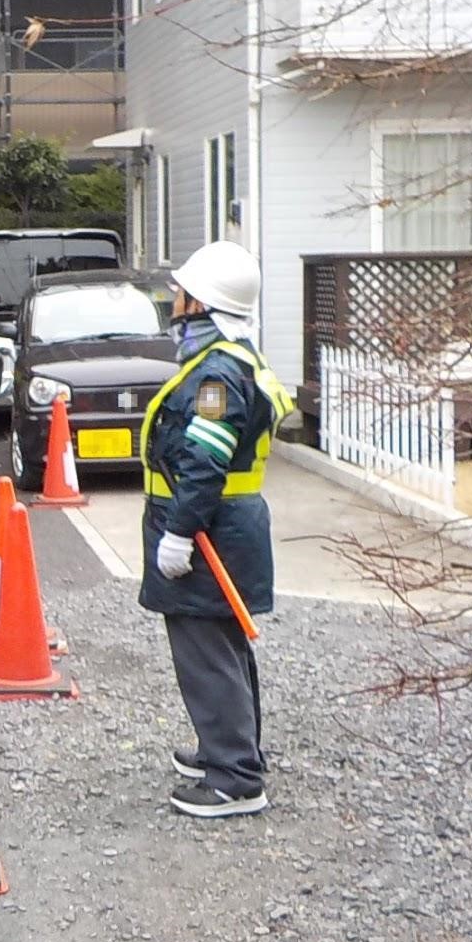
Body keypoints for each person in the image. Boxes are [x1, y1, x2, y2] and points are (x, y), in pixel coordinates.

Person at [139, 240, 295, 819]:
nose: (173, 303)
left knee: (206, 650)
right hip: (222, 526)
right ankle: (228, 749)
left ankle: (235, 777)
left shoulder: (216, 376)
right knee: (222, 645)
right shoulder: (231, 361)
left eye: (181, 294)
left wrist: (179, 533)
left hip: (208, 531)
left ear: (200, 304)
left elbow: (205, 462)